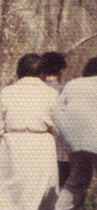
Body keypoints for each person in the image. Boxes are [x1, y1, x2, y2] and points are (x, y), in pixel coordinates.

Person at [0, 53, 61, 210]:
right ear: (42, 74)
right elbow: (58, 124)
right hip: (41, 142)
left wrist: (3, 137)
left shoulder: (7, 92)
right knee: (44, 186)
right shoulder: (51, 93)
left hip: (13, 141)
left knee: (9, 185)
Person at [51, 57, 97, 210]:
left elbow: (55, 111)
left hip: (75, 140)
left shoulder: (72, 84)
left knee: (77, 179)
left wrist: (65, 134)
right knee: (78, 178)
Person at [41, 51, 71, 191]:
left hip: (37, 153)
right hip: (61, 154)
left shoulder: (35, 90)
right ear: (60, 72)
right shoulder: (65, 92)